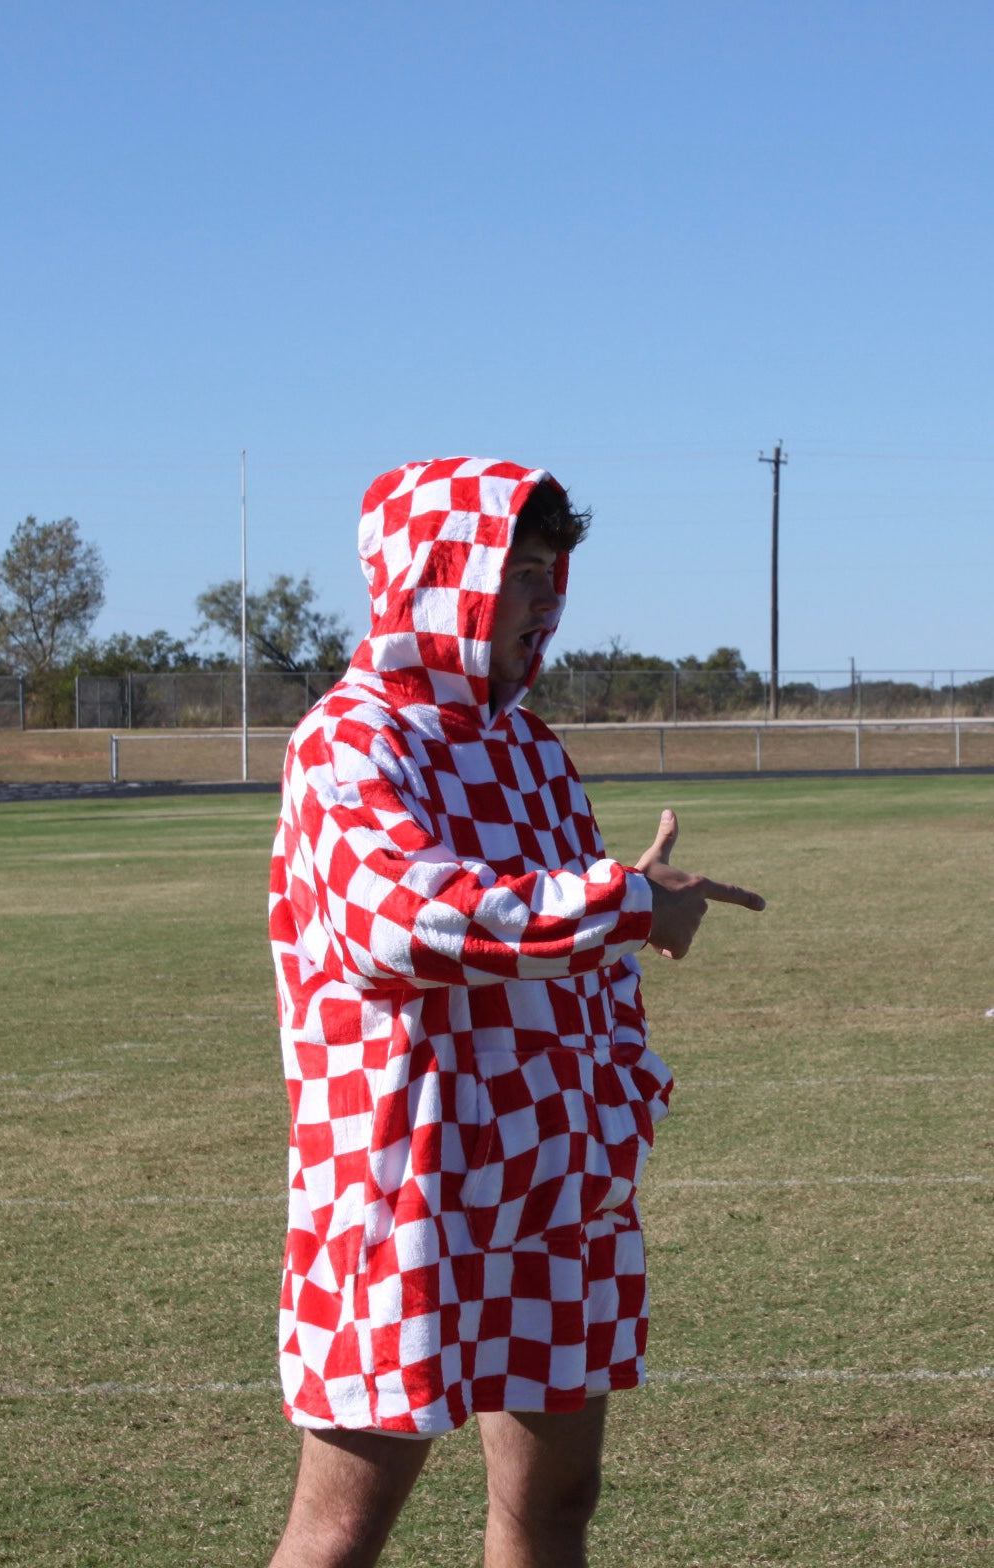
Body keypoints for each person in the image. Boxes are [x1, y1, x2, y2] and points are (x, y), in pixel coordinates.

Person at [266, 457, 765, 1568]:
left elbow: (578, 953)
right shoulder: (349, 741)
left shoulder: (533, 749)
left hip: (554, 1182)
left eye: (551, 572)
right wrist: (627, 902)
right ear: (438, 579)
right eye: (519, 572)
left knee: (556, 1504)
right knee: (341, 1530)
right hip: (409, 1185)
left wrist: (621, 1094)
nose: (546, 600)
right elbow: (407, 923)